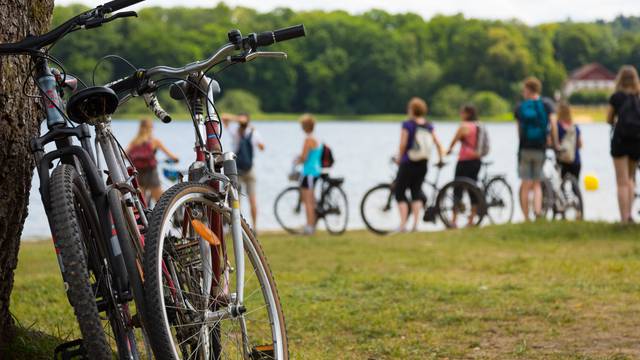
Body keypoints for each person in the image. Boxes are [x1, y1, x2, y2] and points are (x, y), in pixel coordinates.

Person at [395, 97, 444, 232]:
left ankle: (403, 224)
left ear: (411, 109)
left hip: (408, 162)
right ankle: (415, 225)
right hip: (423, 163)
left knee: (399, 192)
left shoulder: (408, 124)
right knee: (416, 191)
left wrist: (399, 158)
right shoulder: (428, 125)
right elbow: (438, 144)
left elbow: (403, 144)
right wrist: (440, 159)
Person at [514, 77, 556, 221]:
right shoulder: (546, 104)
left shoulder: (520, 107)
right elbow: (553, 124)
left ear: (528, 90)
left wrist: (521, 143)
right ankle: (538, 213)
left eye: (524, 90)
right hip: (540, 147)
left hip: (525, 148)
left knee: (526, 184)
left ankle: (526, 217)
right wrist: (554, 142)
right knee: (537, 183)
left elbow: (519, 130)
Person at [607, 65, 640, 223]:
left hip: (620, 142)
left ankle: (623, 218)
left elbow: (609, 119)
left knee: (621, 181)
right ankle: (630, 215)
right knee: (631, 179)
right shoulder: (638, 96)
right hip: (636, 142)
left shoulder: (616, 97)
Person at [224, 113, 265, 229]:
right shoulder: (253, 132)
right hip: (248, 169)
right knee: (249, 200)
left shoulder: (236, 131)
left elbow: (224, 118)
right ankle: (254, 228)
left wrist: (238, 120)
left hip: (239, 170)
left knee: (237, 200)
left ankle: (238, 227)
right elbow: (262, 147)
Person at [446, 104, 483, 227]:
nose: (460, 114)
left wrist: (447, 152)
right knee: (473, 189)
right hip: (477, 161)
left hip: (464, 161)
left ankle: (454, 220)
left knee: (458, 189)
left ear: (467, 114)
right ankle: (471, 220)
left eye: (461, 112)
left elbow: (453, 142)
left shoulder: (464, 126)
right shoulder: (478, 126)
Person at [127, 118, 179, 202]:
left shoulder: (134, 142)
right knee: (161, 201)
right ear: (151, 128)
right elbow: (171, 156)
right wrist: (176, 159)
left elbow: (125, 155)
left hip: (137, 173)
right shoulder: (154, 141)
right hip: (151, 173)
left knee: (141, 202)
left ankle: (143, 214)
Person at [296, 114, 323, 235]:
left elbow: (304, 157)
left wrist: (297, 160)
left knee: (308, 201)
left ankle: (310, 227)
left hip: (309, 173)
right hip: (315, 171)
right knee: (311, 200)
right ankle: (311, 224)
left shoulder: (308, 139)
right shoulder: (317, 138)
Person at [555, 101, 582, 179]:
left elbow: (551, 142)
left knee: (561, 186)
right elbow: (580, 144)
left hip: (562, 160)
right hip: (576, 160)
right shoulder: (575, 127)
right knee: (575, 187)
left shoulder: (557, 126)